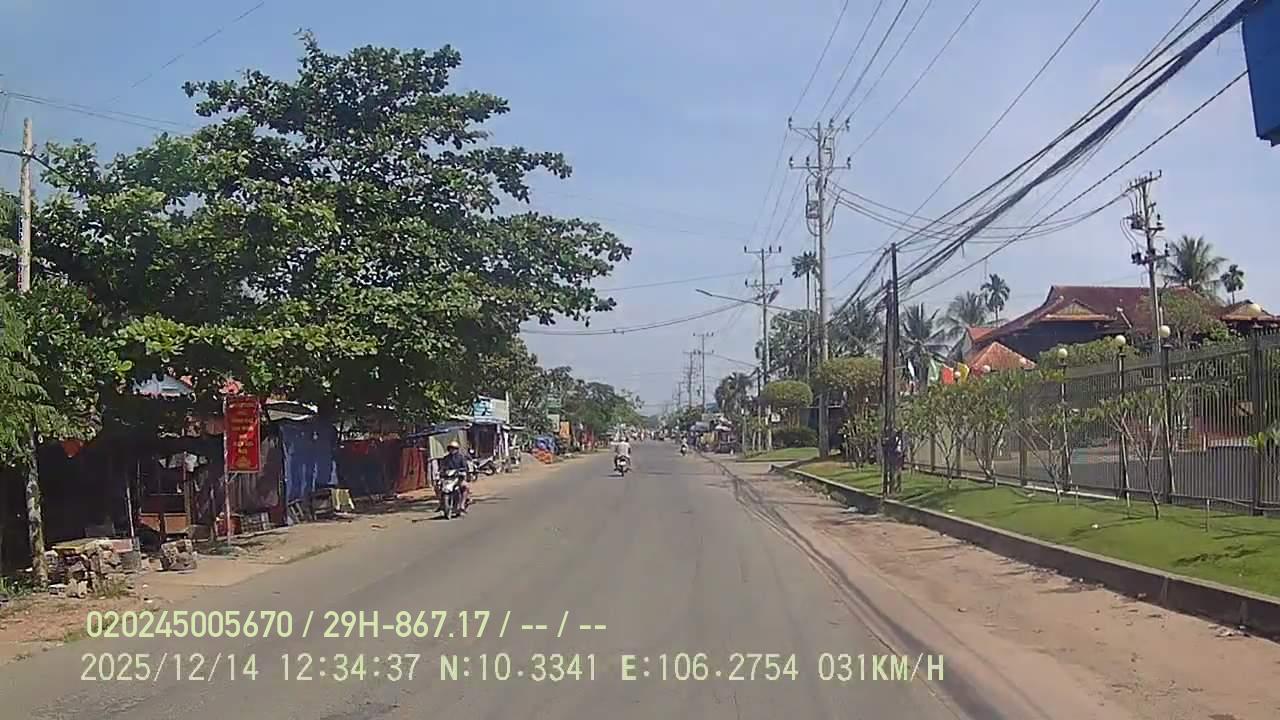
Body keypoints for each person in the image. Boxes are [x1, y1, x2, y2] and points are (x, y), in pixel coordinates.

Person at [439, 440, 472, 513]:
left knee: (465, 487)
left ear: (457, 449)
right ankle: (441, 503)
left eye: (454, 448)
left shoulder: (461, 457)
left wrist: (462, 471)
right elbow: (442, 467)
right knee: (439, 487)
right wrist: (441, 471)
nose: (452, 450)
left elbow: (465, 467)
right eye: (451, 448)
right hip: (448, 478)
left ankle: (462, 505)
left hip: (458, 477)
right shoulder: (446, 458)